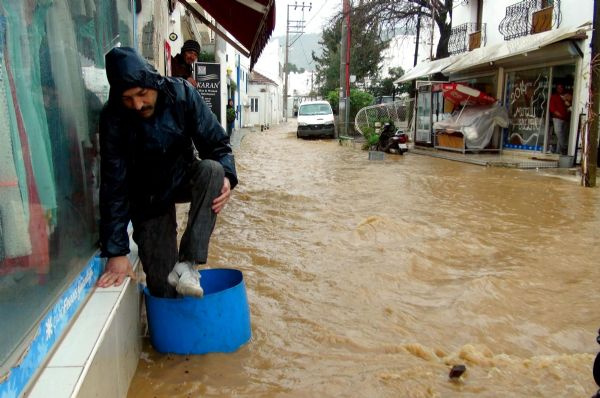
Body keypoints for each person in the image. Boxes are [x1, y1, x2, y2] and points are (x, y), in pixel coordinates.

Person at [96, 47, 237, 298]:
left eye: (142, 94)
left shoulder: (182, 94)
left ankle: (188, 263)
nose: (137, 104)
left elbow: (217, 144)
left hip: (182, 176)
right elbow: (113, 184)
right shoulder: (113, 117)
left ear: (154, 83)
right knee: (163, 288)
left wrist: (227, 176)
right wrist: (117, 252)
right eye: (128, 99)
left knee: (213, 170)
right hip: (146, 197)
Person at [549, 83, 569, 155]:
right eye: (558, 87)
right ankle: (565, 146)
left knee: (562, 135)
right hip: (557, 118)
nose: (560, 89)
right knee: (558, 133)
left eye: (561, 87)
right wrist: (558, 114)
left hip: (566, 119)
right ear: (556, 89)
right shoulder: (554, 97)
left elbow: (569, 106)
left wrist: (567, 102)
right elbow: (552, 108)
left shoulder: (566, 96)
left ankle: (559, 152)